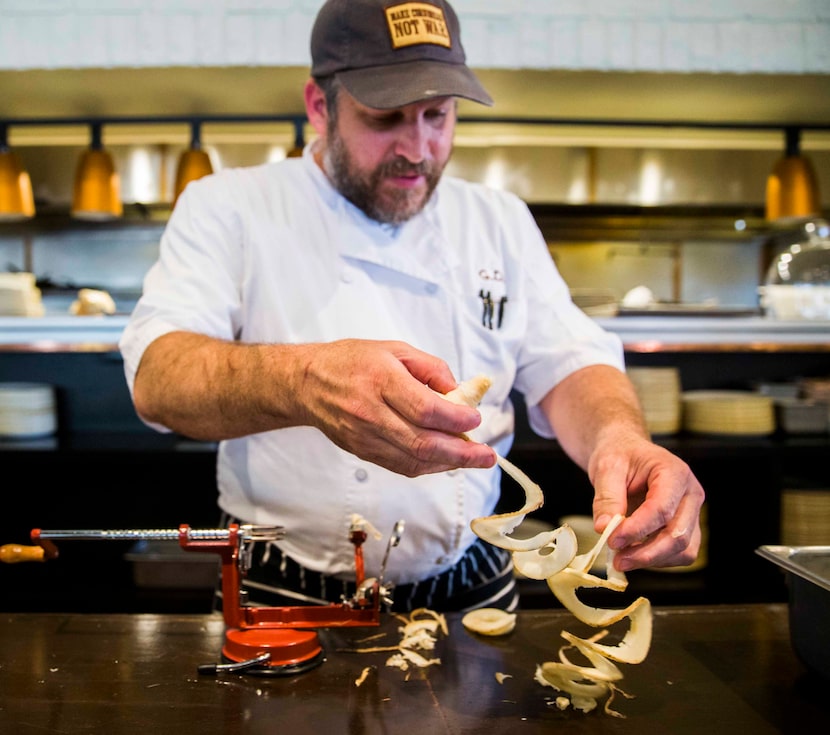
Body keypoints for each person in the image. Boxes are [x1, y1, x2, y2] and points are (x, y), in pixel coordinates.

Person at [119, 0, 704, 613]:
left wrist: (620, 441)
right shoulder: (229, 207)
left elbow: (567, 363)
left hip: (474, 582)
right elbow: (160, 378)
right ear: (321, 108)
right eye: (387, 118)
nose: (419, 148)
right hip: (285, 586)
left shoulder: (497, 218)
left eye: (437, 115)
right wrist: (304, 380)